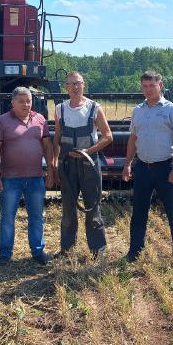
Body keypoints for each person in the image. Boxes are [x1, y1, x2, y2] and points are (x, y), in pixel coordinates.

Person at [122, 70, 173, 272]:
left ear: (161, 86)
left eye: (152, 85)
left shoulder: (171, 110)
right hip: (143, 168)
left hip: (165, 168)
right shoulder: (138, 110)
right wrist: (127, 164)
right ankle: (134, 252)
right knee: (138, 212)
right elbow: (133, 139)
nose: (148, 90)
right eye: (145, 86)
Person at [53, 71, 113, 258]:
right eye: (71, 84)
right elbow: (57, 138)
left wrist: (88, 151)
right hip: (67, 166)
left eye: (78, 83)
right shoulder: (60, 109)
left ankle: (98, 251)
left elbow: (108, 136)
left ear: (84, 85)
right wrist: (54, 163)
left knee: (93, 208)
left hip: (89, 165)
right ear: (66, 87)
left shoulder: (94, 108)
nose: (75, 87)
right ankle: (67, 250)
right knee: (68, 209)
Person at [0, 86, 56, 266]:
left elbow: (47, 147)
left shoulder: (40, 119)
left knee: (36, 217)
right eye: (21, 101)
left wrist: (51, 171)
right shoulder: (2, 121)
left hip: (35, 177)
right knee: (7, 218)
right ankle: (5, 253)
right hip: (10, 178)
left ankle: (38, 251)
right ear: (12, 103)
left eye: (28, 101)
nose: (26, 105)